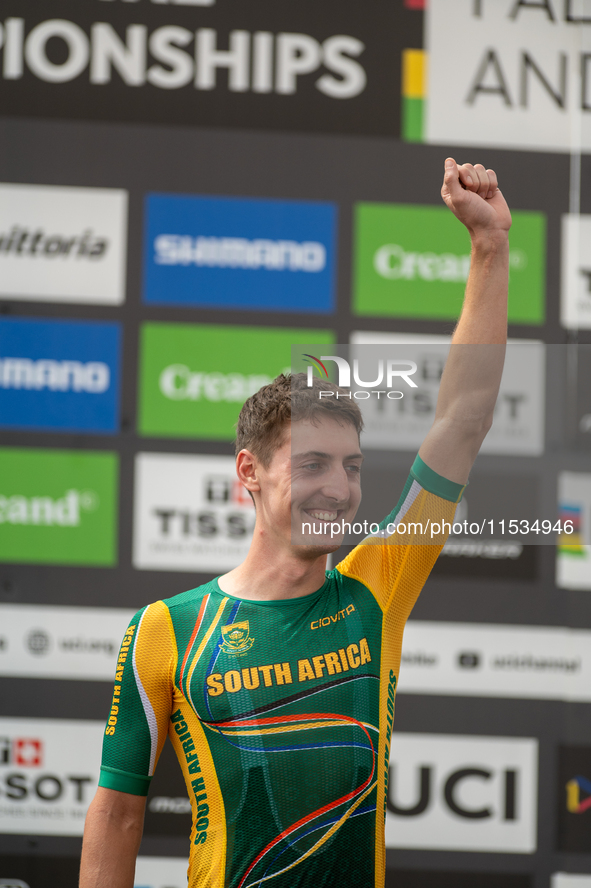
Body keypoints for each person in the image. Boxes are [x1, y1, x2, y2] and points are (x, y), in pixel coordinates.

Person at [79, 158, 511, 888]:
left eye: (350, 466)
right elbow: (119, 813)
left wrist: (489, 248)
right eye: (312, 465)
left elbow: (461, 422)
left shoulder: (375, 584)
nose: (337, 489)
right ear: (250, 472)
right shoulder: (167, 629)